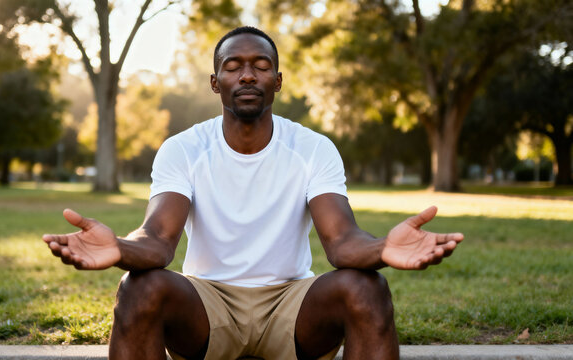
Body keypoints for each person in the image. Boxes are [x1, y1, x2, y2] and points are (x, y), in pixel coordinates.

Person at [43, 26, 464, 360]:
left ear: (278, 81)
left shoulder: (313, 148)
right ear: (215, 82)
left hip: (292, 304)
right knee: (138, 289)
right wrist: (117, 247)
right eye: (234, 66)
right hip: (207, 306)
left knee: (367, 288)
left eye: (261, 65)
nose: (247, 74)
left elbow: (341, 242)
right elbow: (157, 240)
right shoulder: (184, 148)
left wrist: (384, 247)